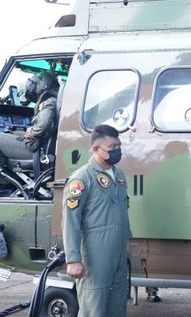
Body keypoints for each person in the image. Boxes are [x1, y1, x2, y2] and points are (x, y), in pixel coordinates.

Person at [62, 124, 132, 316]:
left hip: (117, 251)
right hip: (95, 252)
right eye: (112, 148)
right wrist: (73, 259)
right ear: (95, 149)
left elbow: (123, 211)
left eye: (118, 146)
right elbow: (70, 221)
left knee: (117, 304)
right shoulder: (81, 179)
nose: (117, 151)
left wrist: (126, 240)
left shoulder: (119, 176)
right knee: (94, 306)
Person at [0, 72, 58, 163]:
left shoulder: (49, 102)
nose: (31, 88)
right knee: (13, 133)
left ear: (43, 85)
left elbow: (43, 124)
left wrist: (32, 131)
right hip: (45, 145)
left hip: (39, 149)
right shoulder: (56, 100)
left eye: (33, 84)